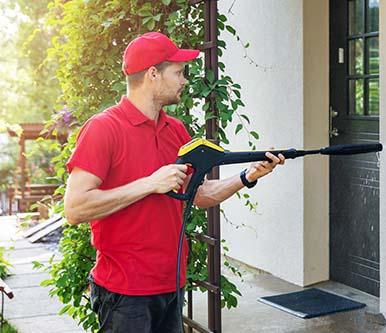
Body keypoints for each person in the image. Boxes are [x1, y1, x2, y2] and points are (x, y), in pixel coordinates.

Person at [63, 32, 285, 332]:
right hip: (125, 293)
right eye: (178, 72)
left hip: (171, 285)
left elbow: (200, 194)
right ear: (153, 74)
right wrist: (150, 183)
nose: (184, 80)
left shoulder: (175, 130)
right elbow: (75, 208)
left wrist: (248, 176)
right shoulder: (104, 129)